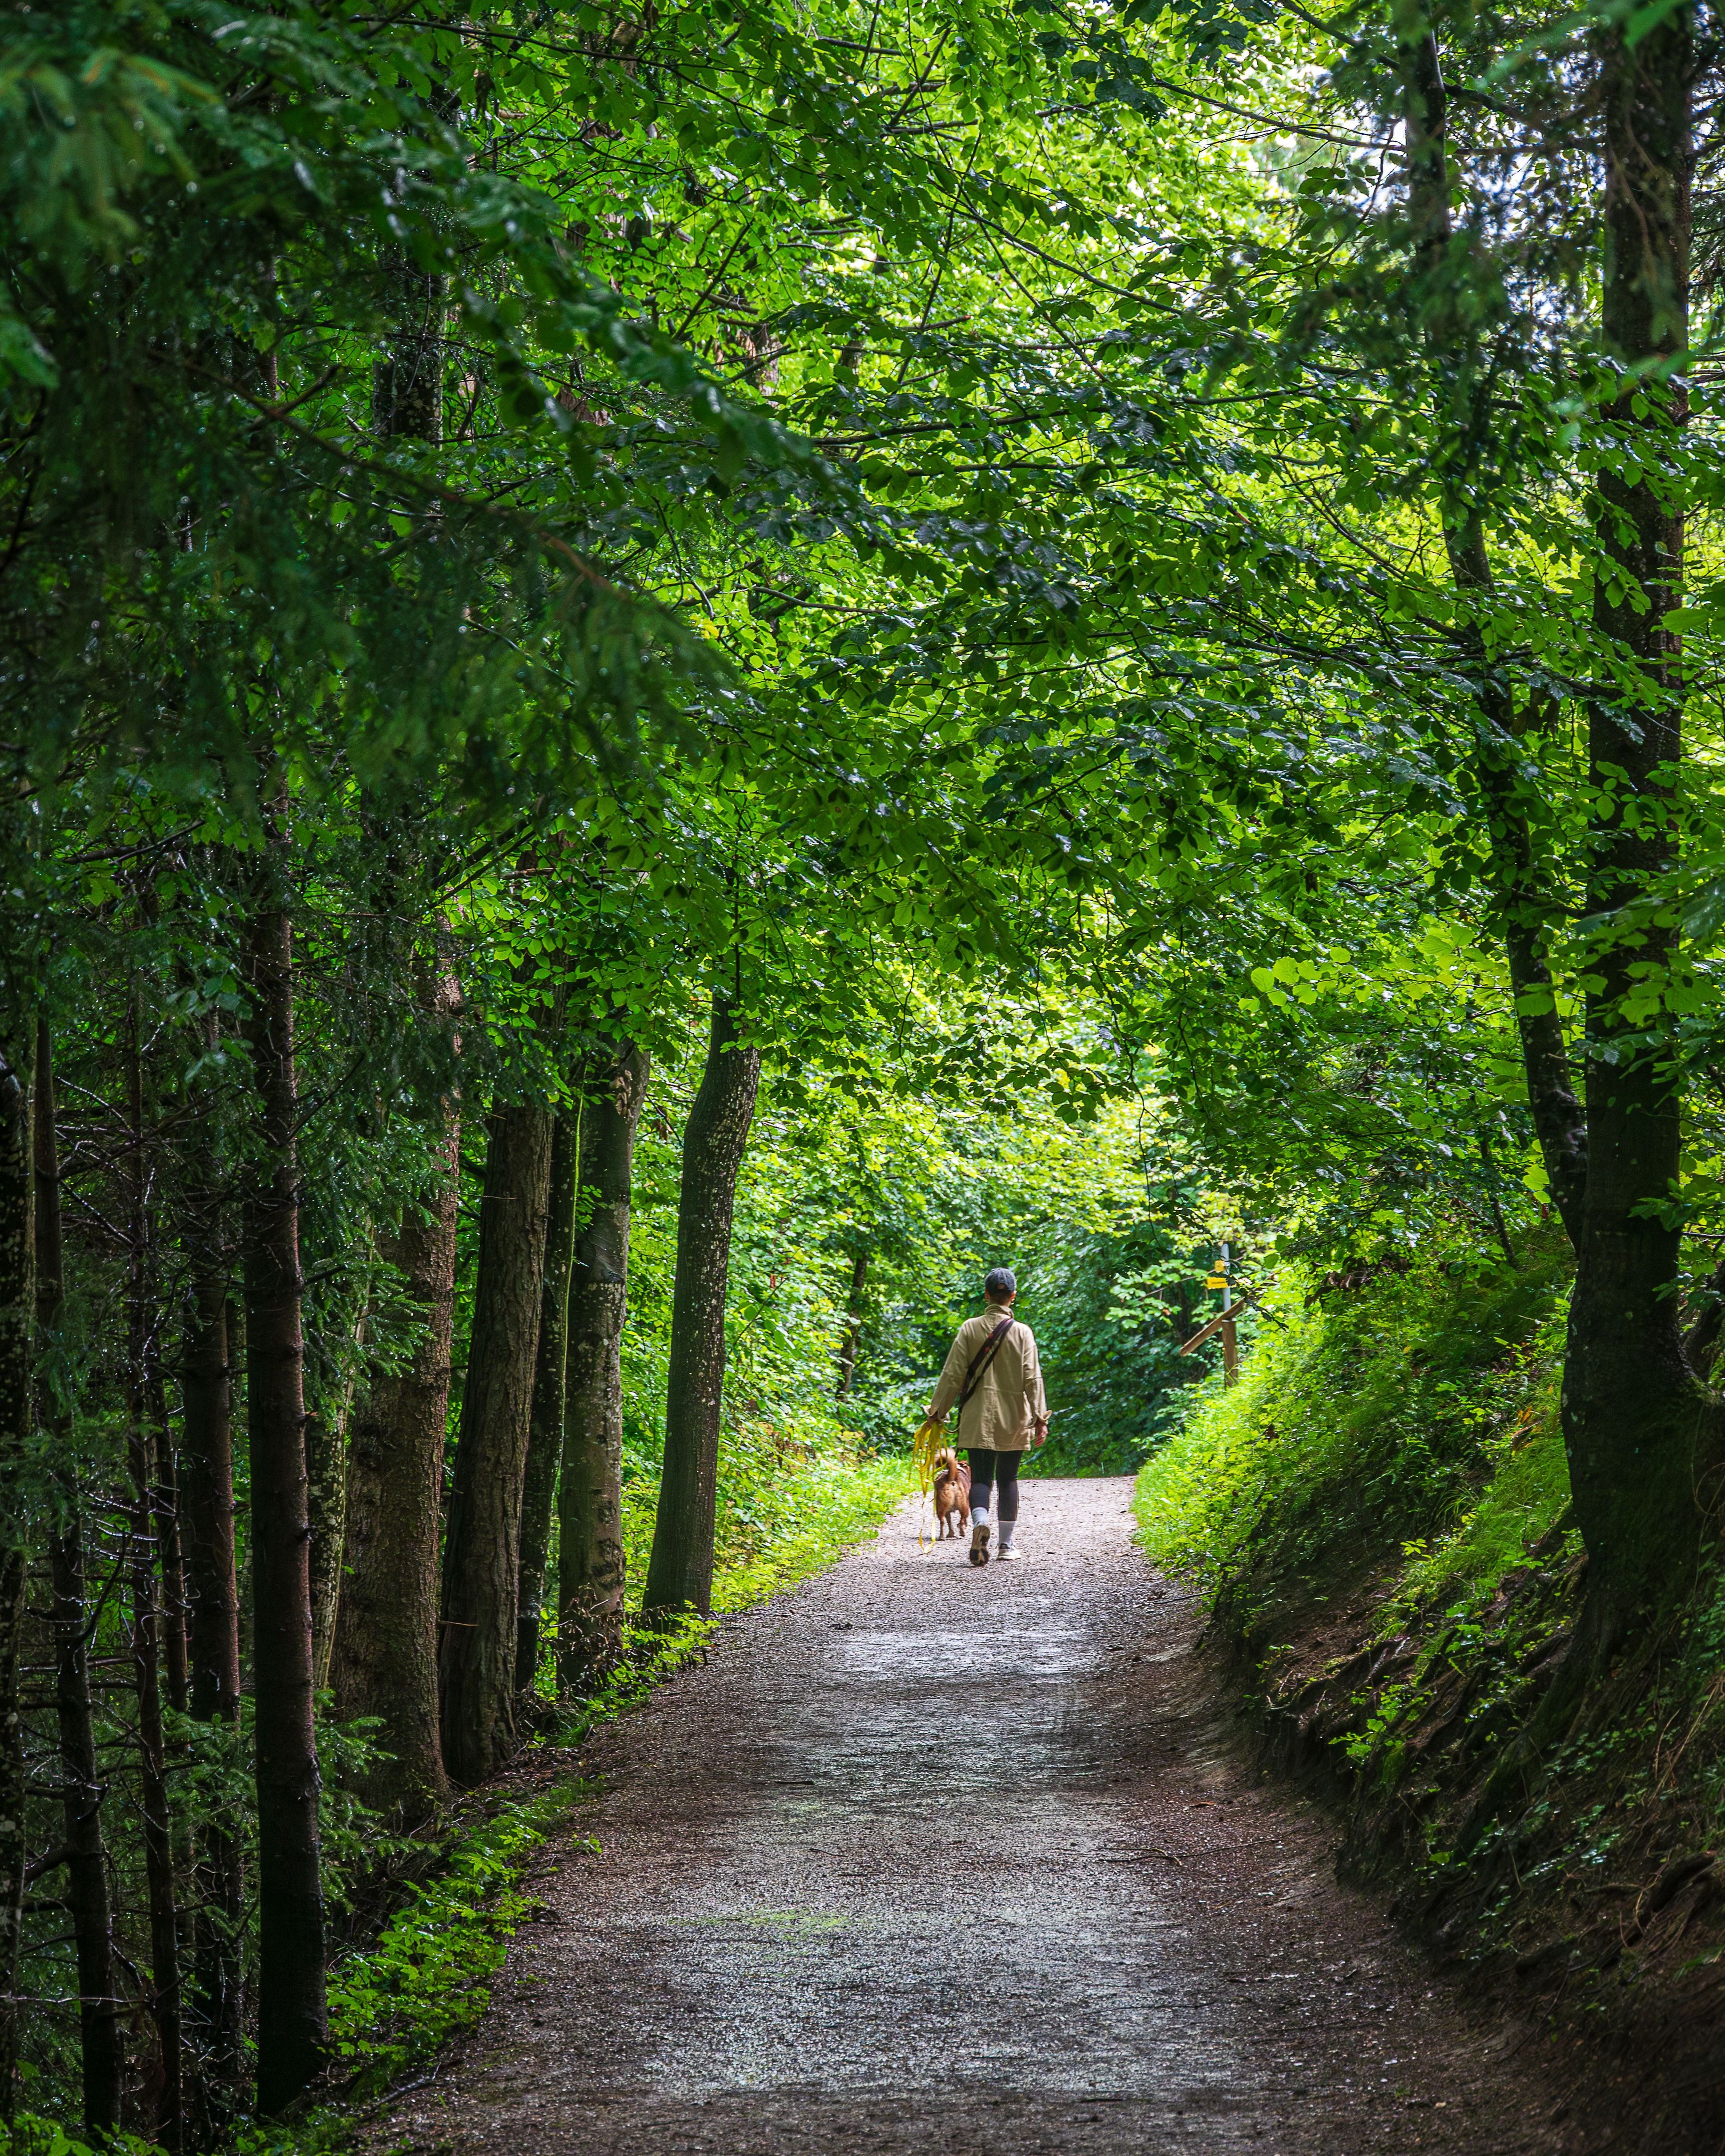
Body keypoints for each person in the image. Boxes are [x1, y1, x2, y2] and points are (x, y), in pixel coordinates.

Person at [926, 1267, 1048, 1566]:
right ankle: (1006, 1545)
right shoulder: (1023, 1332)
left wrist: (937, 1413)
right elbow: (1033, 1379)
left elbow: (952, 1374)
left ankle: (980, 1522)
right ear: (1013, 1297)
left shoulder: (970, 1328)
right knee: (1008, 1480)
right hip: (1014, 1416)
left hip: (978, 1414)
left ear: (986, 1295)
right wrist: (1040, 1418)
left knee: (981, 1478)